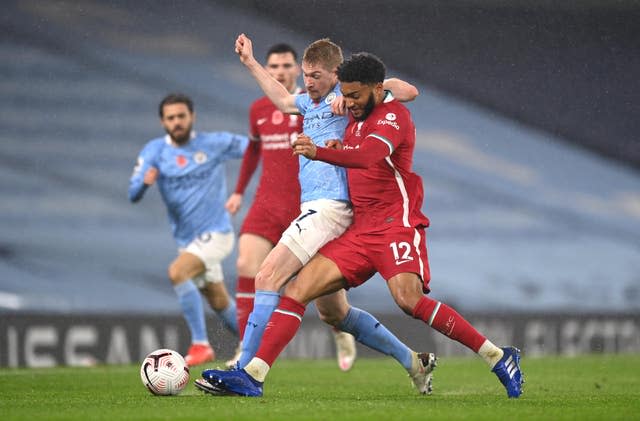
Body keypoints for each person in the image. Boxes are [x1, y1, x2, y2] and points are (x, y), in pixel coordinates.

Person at [200, 53, 525, 398]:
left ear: (374, 89)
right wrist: (338, 144)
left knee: (408, 300)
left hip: (394, 225)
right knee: (299, 290)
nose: (348, 103)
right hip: (358, 230)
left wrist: (320, 152)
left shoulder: (393, 117)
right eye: (346, 94)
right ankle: (253, 376)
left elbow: (368, 156)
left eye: (355, 96)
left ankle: (496, 355)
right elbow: (347, 142)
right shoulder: (354, 115)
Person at [196, 35, 437, 396]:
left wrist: (375, 86)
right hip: (325, 213)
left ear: (336, 75)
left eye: (316, 75)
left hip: (330, 209)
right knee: (334, 313)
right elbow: (279, 97)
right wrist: (249, 61)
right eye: (305, 75)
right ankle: (413, 361)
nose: (307, 82)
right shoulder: (308, 106)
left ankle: (245, 370)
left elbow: (409, 91)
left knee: (267, 275)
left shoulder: (348, 103)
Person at [224, 42, 358, 371]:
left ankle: (343, 330)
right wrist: (250, 62)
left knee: (330, 307)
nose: (283, 72)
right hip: (274, 204)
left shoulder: (342, 99)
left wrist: (349, 94)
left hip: (322, 207)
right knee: (252, 266)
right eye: (276, 67)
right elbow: (255, 148)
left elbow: (400, 90)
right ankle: (247, 355)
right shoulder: (275, 107)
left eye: (288, 66)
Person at [129, 93, 247, 366]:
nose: (177, 122)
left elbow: (255, 148)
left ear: (192, 117)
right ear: (162, 122)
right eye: (171, 118)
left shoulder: (214, 143)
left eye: (181, 116)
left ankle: (200, 344)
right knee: (218, 300)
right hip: (187, 240)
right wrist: (145, 183)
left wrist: (241, 189)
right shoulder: (154, 151)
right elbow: (132, 193)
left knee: (177, 271)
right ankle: (256, 345)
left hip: (217, 233)